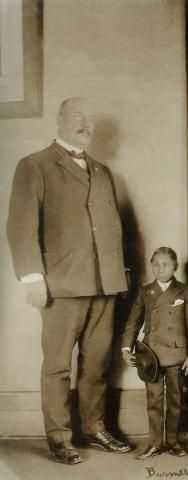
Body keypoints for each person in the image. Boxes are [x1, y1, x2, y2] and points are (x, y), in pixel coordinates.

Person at [7, 97, 132, 464]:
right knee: (58, 366)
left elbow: (112, 228)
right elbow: (20, 226)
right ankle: (60, 438)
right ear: (59, 120)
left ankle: (94, 428)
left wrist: (119, 275)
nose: (85, 123)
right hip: (61, 284)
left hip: (105, 285)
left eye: (90, 118)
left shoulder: (103, 171)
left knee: (98, 362)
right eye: (78, 116)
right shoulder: (34, 166)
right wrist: (33, 278)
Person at [122, 247, 188, 460]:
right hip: (151, 357)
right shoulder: (145, 291)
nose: (160, 269)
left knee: (176, 400)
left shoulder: (185, 291)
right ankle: (155, 443)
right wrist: (125, 348)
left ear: (175, 266)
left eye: (165, 264)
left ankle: (173, 441)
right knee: (153, 401)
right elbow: (133, 321)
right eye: (156, 264)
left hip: (177, 355)